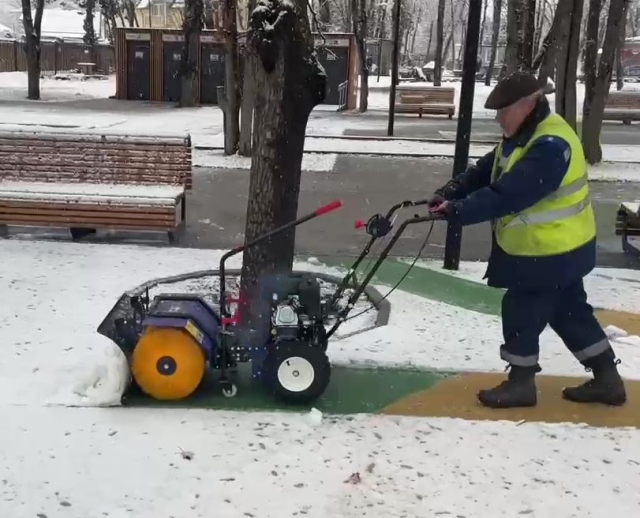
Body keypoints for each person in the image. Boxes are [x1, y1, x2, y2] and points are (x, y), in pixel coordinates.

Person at [428, 71, 627, 409]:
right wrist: (452, 192)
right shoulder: (522, 136)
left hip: (549, 250)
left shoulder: (550, 146)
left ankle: (520, 384)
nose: (498, 118)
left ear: (527, 105)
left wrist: (457, 211)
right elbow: (486, 171)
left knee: (522, 310)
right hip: (556, 248)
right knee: (569, 312)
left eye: (503, 111)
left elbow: (509, 194)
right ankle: (608, 380)